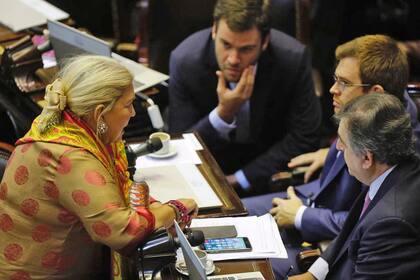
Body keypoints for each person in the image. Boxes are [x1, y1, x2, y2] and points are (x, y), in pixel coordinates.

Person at [0, 55, 198, 279]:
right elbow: (123, 232)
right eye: (128, 105)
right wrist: (175, 209)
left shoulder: (63, 125)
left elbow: (116, 189)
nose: (133, 113)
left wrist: (157, 209)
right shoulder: (70, 158)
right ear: (99, 114)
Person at [242, 34, 420, 278]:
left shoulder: (390, 154)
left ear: (374, 92)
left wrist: (302, 216)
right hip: (316, 214)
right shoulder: (365, 122)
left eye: (344, 83)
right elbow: (359, 215)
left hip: (325, 239)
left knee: (246, 266)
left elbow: (364, 224)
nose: (332, 90)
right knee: (235, 216)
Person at [168, 0, 321, 195]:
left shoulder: (292, 59)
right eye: (226, 44)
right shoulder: (185, 61)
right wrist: (223, 114)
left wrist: (241, 178)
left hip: (268, 173)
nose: (233, 59)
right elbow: (180, 145)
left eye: (246, 49)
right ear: (214, 30)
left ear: (264, 42)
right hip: (208, 175)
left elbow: (305, 136)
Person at [290, 93, 420, 279]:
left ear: (367, 158)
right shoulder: (389, 168)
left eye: (343, 141)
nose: (339, 147)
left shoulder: (390, 222)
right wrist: (313, 274)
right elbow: (350, 231)